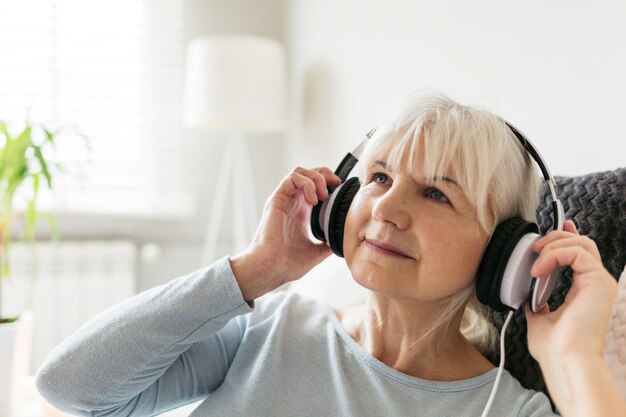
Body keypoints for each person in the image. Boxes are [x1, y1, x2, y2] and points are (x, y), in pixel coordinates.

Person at [36, 92, 625, 417]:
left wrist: (573, 359)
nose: (387, 209)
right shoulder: (269, 327)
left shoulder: (507, 411)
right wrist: (254, 271)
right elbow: (71, 386)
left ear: (510, 254)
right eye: (378, 178)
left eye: (436, 193)